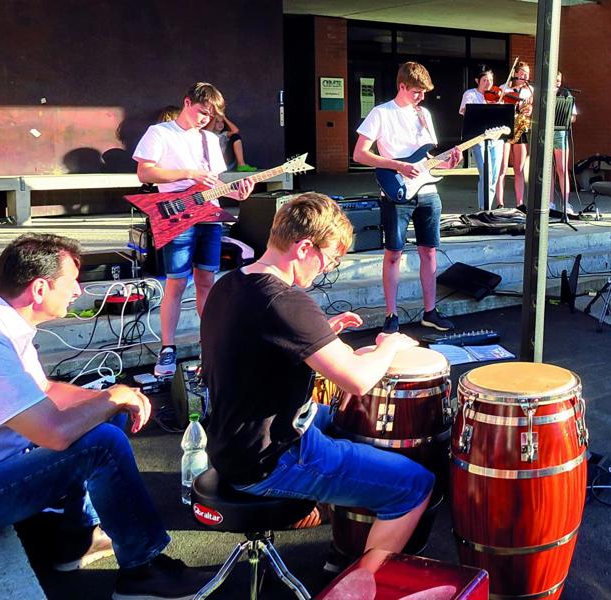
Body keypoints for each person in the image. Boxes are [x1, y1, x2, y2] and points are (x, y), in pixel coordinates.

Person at [200, 193, 434, 572]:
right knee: (414, 486)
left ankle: (338, 513)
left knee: (346, 419)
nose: (326, 269)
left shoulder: (231, 283)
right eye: (329, 259)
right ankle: (360, 584)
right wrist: (388, 347)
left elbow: (255, 352)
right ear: (304, 247)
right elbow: (358, 380)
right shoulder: (286, 301)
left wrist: (320, 334)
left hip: (232, 443)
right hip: (270, 460)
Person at [0, 233, 212, 599]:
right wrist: (111, 396)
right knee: (101, 441)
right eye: (71, 282)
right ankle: (142, 570)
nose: (78, 291)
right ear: (40, 288)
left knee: (107, 416)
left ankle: (76, 538)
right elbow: (53, 432)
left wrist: (115, 398)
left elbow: (44, 391)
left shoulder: (4, 325)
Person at [134, 82, 256, 377]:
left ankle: (209, 343)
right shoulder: (160, 132)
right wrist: (188, 173)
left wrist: (238, 193)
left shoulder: (210, 140)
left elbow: (215, 182)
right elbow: (144, 172)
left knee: (206, 280)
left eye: (210, 116)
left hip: (208, 213)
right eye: (202, 112)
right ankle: (167, 348)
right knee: (175, 283)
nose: (205, 120)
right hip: (176, 213)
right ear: (187, 103)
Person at [353, 62, 460, 334]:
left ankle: (430, 312)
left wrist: (449, 163)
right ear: (402, 86)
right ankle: (391, 315)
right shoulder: (381, 113)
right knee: (393, 253)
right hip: (397, 189)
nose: (421, 97)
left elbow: (428, 159)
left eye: (424, 92)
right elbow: (359, 154)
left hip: (427, 191)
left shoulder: (423, 114)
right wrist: (398, 166)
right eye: (416, 92)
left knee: (429, 250)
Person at [459, 64, 504, 210]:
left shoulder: (498, 95)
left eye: (490, 80)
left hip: (496, 139)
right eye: (484, 80)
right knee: (486, 174)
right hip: (479, 139)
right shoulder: (470, 94)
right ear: (477, 80)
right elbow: (467, 114)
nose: (488, 83)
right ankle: (483, 209)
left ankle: (488, 209)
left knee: (494, 176)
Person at [498, 61, 534, 208]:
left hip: (521, 128)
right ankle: (500, 203)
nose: (526, 76)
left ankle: (520, 203)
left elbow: (533, 107)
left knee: (519, 168)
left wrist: (530, 110)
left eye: (527, 73)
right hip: (505, 128)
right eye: (523, 73)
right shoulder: (504, 88)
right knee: (503, 168)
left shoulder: (530, 90)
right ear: (516, 73)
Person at [553, 71, 577, 212]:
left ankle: (565, 203)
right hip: (546, 133)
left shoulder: (566, 94)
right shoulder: (544, 93)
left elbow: (574, 117)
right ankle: (549, 203)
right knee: (548, 170)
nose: (557, 82)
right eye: (555, 80)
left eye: (559, 80)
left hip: (561, 133)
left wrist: (566, 116)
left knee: (562, 169)